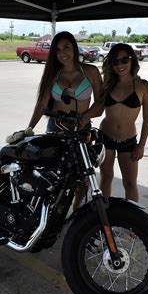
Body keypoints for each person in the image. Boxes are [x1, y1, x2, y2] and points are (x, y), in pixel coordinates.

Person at [27, 31, 103, 209]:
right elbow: (42, 105)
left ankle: (75, 212)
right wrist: (29, 128)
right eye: (58, 49)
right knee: (55, 175)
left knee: (84, 176)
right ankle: (54, 211)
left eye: (67, 47)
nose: (63, 53)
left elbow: (101, 103)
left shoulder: (90, 71)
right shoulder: (53, 75)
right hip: (56, 129)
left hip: (81, 130)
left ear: (75, 48)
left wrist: (86, 117)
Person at [82, 43, 148, 202]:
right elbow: (97, 108)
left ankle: (132, 222)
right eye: (115, 62)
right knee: (106, 178)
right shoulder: (107, 84)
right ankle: (104, 219)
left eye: (124, 60)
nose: (120, 65)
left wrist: (141, 145)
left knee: (130, 183)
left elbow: (147, 119)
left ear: (132, 60)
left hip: (128, 141)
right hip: (106, 137)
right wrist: (83, 118)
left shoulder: (143, 86)